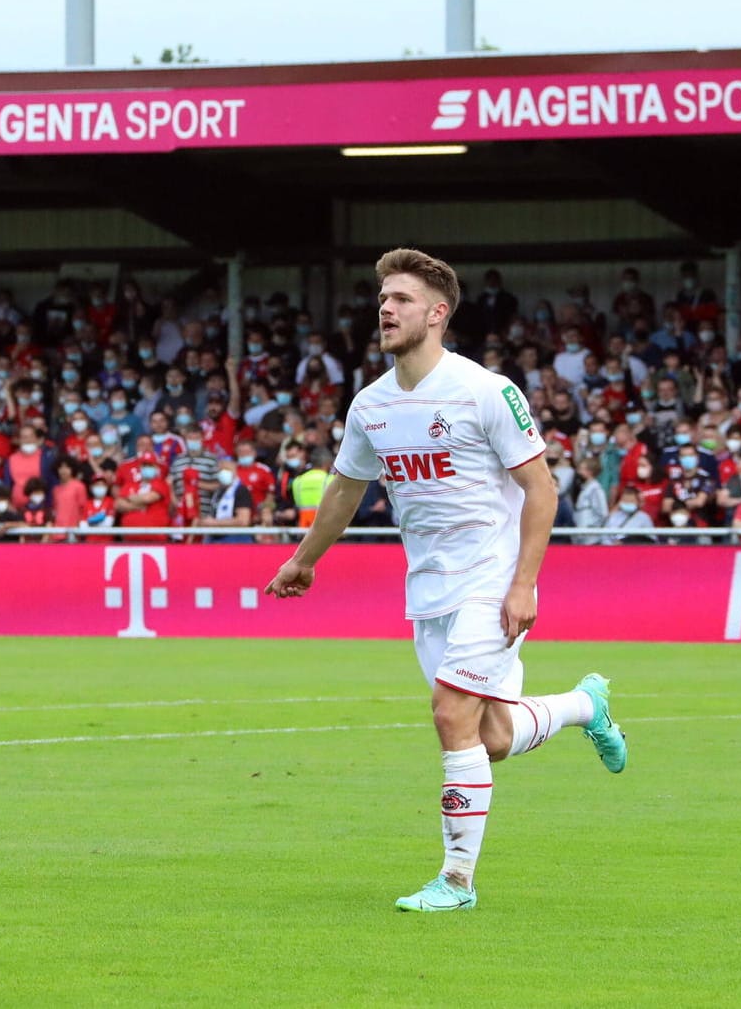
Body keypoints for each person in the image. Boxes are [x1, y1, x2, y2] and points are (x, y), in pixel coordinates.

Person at [264, 248, 626, 915]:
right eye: (382, 300)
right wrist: (304, 558)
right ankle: (584, 706)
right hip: (428, 588)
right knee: (487, 736)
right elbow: (345, 489)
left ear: (437, 313)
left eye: (400, 299)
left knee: (448, 713)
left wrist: (524, 585)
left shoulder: (486, 391)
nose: (386, 308)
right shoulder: (370, 405)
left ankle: (455, 881)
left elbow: (540, 491)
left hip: (490, 579)